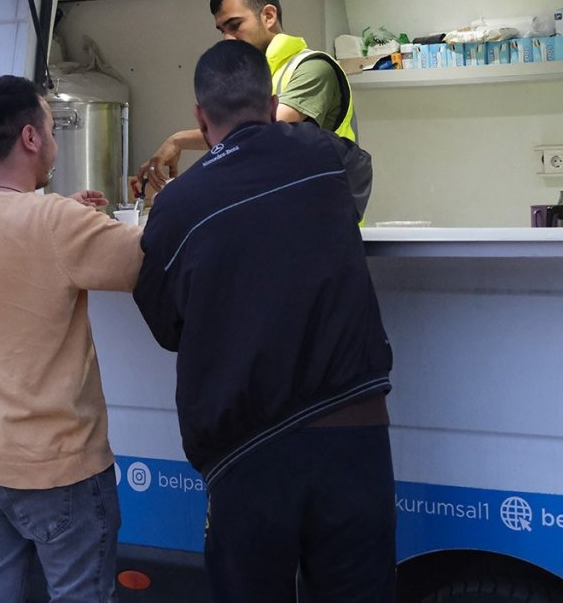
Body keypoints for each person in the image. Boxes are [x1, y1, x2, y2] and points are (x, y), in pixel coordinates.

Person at [132, 40, 394, 603]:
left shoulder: (178, 205)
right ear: (273, 103)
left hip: (246, 449)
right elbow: (350, 188)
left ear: (200, 116)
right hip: (354, 429)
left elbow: (166, 327)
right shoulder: (323, 155)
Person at [0, 75, 143, 602]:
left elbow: (9, 226)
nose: (54, 143)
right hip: (55, 465)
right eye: (51, 129)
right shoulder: (53, 222)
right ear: (30, 137)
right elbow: (149, 257)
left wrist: (68, 214)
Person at [134, 0, 357, 194]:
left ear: (268, 16)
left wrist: (178, 141)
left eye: (235, 25)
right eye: (222, 30)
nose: (227, 39)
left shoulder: (314, 68)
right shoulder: (259, 76)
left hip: (325, 211)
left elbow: (255, 132)